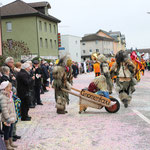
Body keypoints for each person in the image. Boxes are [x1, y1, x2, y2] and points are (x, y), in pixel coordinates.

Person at [0, 81, 17, 149]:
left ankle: (11, 142)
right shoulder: (3, 97)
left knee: (11, 130)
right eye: (9, 87)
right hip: (7, 118)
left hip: (11, 116)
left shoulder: (9, 95)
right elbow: (4, 109)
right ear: (5, 88)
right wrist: (7, 118)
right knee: (7, 131)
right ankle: (7, 144)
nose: (11, 88)